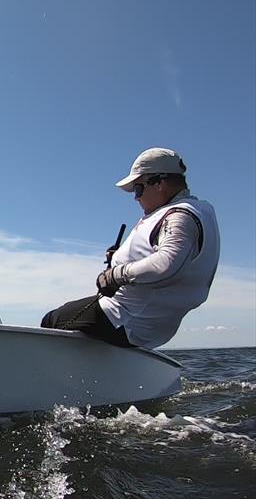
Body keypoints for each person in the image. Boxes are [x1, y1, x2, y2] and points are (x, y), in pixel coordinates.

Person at [41, 148, 220, 349]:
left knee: (51, 320)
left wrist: (115, 275)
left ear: (159, 183)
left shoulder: (179, 216)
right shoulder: (196, 211)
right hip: (146, 323)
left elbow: (167, 264)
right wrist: (118, 257)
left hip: (127, 319)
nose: (136, 197)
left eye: (138, 188)